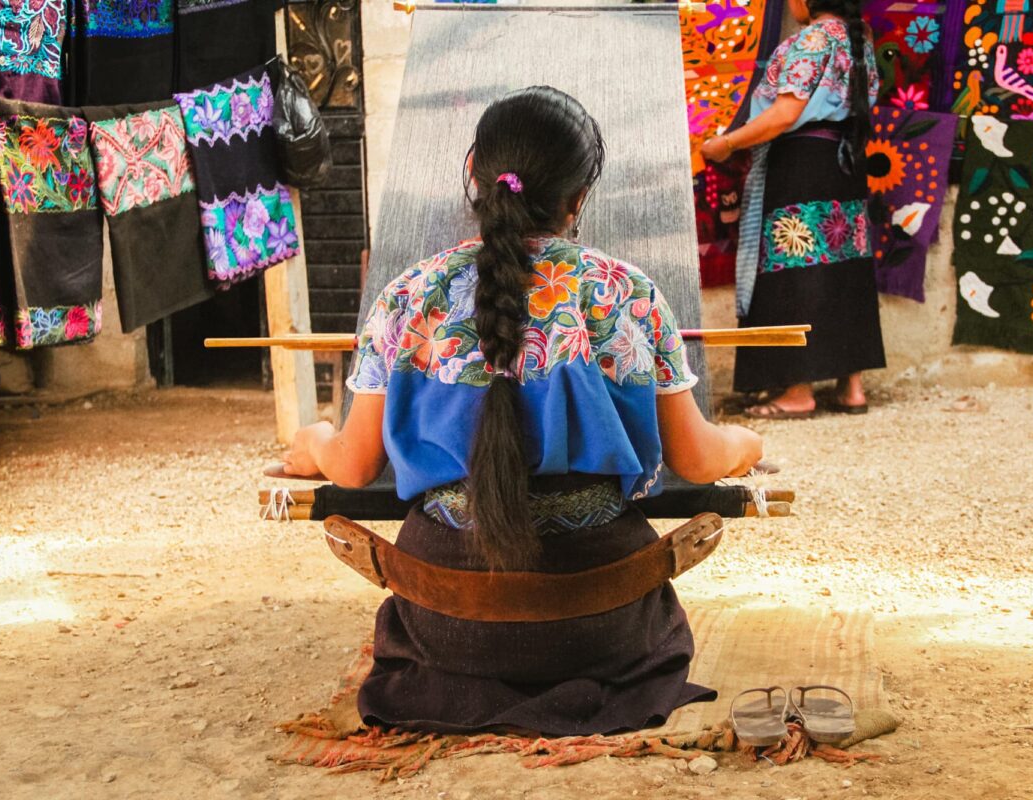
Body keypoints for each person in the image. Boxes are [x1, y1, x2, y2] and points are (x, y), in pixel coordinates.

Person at [282, 86, 764, 736]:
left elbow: (353, 464)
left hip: (447, 619)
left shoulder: (407, 296)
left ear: (474, 171)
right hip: (599, 617)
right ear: (579, 198)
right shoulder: (627, 292)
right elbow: (699, 460)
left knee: (426, 606)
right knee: (652, 615)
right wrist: (746, 443)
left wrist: (313, 442)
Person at [701, 0, 883, 419]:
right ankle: (851, 387)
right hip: (844, 163)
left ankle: (798, 391)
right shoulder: (861, 42)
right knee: (843, 269)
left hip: (802, 164)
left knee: (794, 268)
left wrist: (726, 143)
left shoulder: (811, 40)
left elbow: (785, 114)